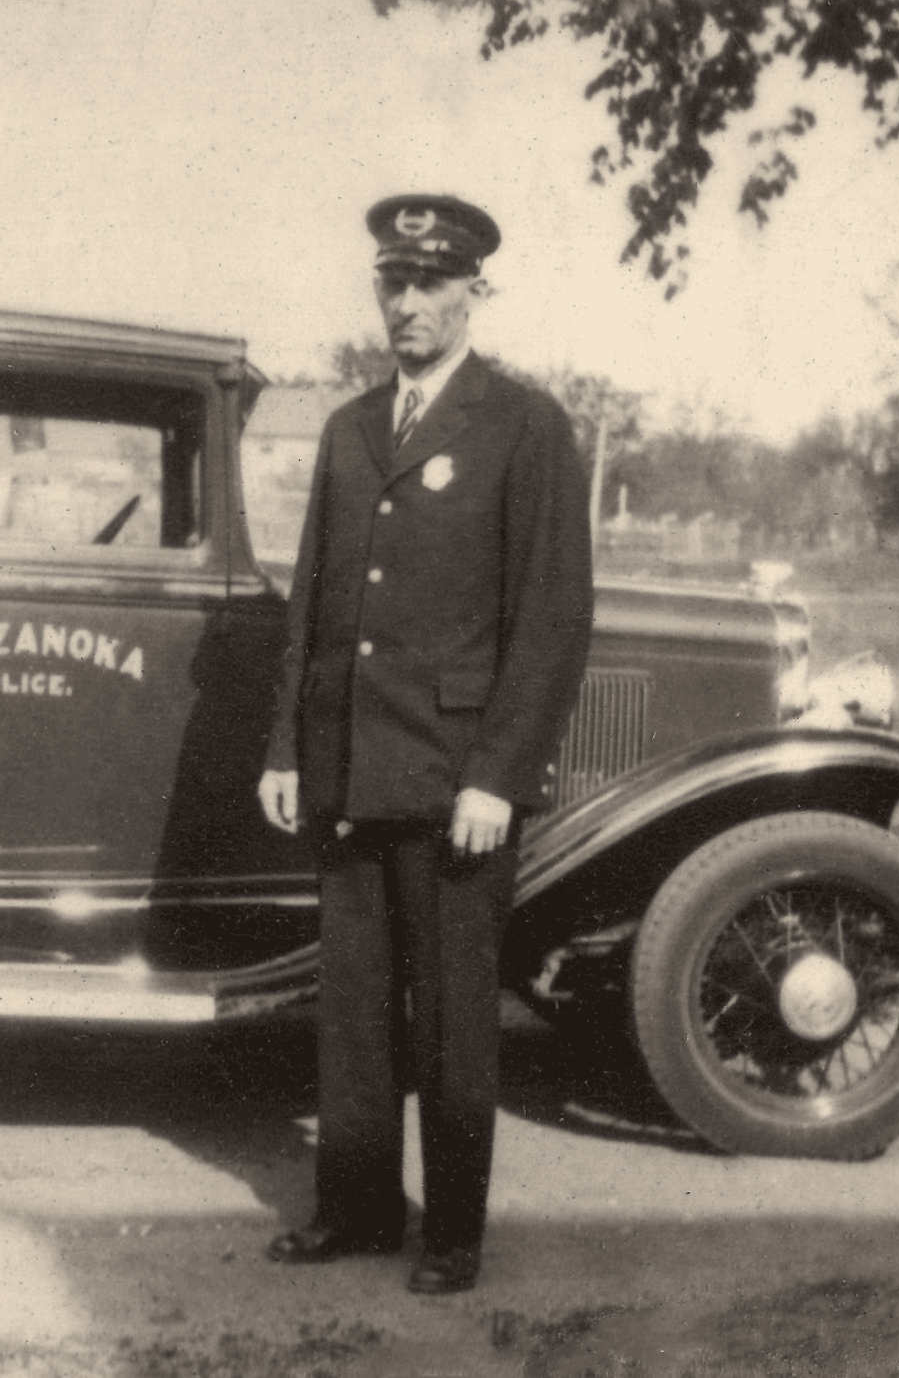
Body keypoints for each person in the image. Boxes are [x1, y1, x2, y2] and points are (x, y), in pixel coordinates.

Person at [257, 195, 593, 1292]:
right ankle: (351, 1209)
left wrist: (498, 774)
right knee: (352, 1011)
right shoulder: (352, 425)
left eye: (428, 285)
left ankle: (451, 1232)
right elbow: (310, 599)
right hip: (350, 765)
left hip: (455, 781)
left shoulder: (521, 425)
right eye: (390, 285)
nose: (405, 305)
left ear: (470, 295)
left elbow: (549, 619)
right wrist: (284, 750)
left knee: (450, 1019)